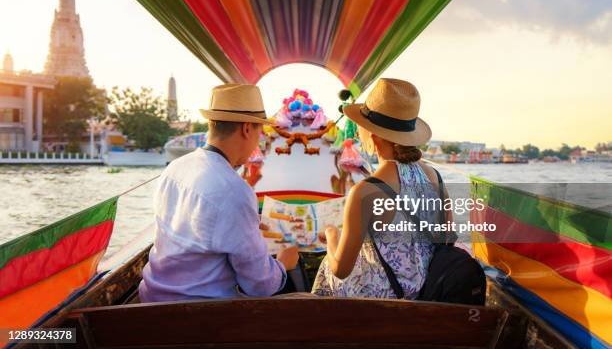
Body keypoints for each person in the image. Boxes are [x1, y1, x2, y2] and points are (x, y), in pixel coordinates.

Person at [139, 83, 299, 302]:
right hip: (201, 313)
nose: (257, 141)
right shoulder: (234, 190)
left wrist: (249, 220)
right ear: (246, 129)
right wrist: (283, 264)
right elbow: (261, 285)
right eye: (259, 132)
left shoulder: (175, 167)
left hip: (152, 297)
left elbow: (199, 224)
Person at [312, 78, 449, 299]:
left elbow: (341, 270)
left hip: (381, 305)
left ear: (372, 135)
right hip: (426, 294)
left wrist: (330, 235)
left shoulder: (366, 191)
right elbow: (446, 239)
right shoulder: (436, 178)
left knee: (328, 266)